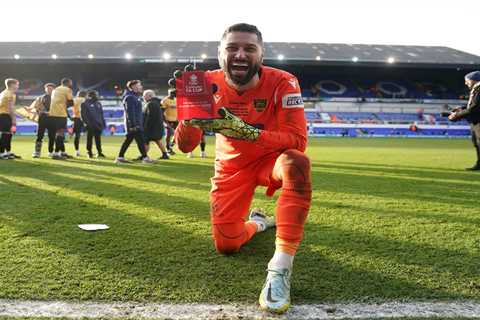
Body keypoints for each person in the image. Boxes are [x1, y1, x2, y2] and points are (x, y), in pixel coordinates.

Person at [172, 23, 311, 313]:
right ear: (220, 53)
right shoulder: (204, 83)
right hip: (231, 168)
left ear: (261, 54)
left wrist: (247, 131)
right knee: (227, 245)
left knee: (296, 163)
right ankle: (259, 222)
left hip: (270, 160)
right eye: (232, 48)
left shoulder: (284, 81)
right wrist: (189, 113)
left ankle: (280, 267)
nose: (240, 54)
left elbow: (298, 140)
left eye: (249, 48)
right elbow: (185, 146)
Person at [115, 80, 154, 164]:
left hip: (135, 123)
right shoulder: (130, 97)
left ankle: (120, 158)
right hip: (134, 124)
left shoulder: (134, 97)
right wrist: (133, 125)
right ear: (133, 87)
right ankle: (145, 158)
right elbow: (130, 112)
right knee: (140, 141)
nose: (141, 87)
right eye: (139, 85)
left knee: (130, 140)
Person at [448, 71, 480, 170]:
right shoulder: (476, 89)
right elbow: (473, 106)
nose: (466, 83)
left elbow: (474, 108)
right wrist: (462, 108)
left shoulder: (479, 89)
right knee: (477, 143)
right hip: (475, 121)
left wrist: (457, 115)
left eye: (467, 81)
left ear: (474, 80)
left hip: (478, 121)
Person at [49, 78, 75, 160]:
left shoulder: (55, 89)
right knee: (60, 134)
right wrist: (65, 104)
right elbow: (71, 102)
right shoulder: (67, 89)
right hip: (61, 114)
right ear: (68, 83)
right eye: (71, 83)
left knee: (59, 134)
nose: (71, 84)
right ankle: (56, 154)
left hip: (52, 114)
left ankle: (62, 152)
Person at [31, 83, 56, 158]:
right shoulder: (40, 98)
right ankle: (37, 152)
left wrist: (51, 112)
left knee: (52, 136)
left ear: (54, 89)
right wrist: (38, 111)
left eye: (51, 88)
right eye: (47, 88)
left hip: (52, 119)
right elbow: (35, 108)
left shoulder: (57, 98)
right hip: (42, 119)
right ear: (45, 89)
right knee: (39, 136)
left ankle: (51, 152)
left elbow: (59, 109)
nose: (49, 90)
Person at [143, 89, 169, 160]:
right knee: (158, 140)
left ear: (150, 96)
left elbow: (150, 117)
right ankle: (165, 154)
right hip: (157, 126)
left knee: (146, 140)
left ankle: (144, 156)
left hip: (152, 127)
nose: (143, 97)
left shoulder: (151, 103)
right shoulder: (157, 102)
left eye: (144, 96)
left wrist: (145, 126)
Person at [81, 90, 106, 159]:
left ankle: (99, 152)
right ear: (91, 96)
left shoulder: (98, 103)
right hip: (90, 124)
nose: (97, 96)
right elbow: (83, 115)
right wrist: (87, 123)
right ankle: (89, 152)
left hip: (98, 124)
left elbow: (101, 114)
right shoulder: (85, 103)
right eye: (96, 95)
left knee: (98, 139)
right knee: (89, 139)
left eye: (97, 95)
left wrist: (103, 123)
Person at [0, 78, 20, 160]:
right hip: (5, 116)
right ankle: (1, 153)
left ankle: (7, 152)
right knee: (5, 135)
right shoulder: (9, 94)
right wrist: (14, 120)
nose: (18, 86)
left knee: (8, 134)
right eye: (17, 84)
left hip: (3, 115)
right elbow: (10, 108)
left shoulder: (4, 93)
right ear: (12, 85)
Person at [72, 90, 87, 156]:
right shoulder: (85, 100)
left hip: (76, 118)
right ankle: (89, 151)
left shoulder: (74, 99)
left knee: (77, 136)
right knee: (89, 135)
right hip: (85, 118)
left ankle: (77, 151)